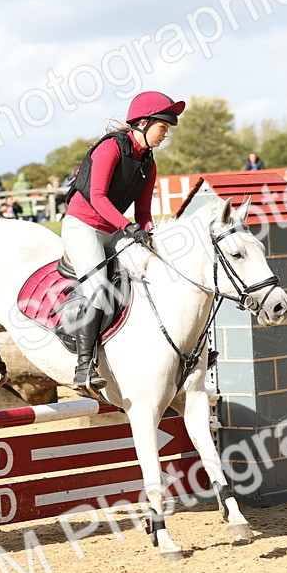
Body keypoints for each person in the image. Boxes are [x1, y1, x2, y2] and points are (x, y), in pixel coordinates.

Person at [60, 90, 184, 392]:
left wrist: (151, 236)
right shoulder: (111, 149)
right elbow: (98, 198)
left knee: (149, 273)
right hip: (83, 226)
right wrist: (129, 228)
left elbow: (143, 212)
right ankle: (84, 366)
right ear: (143, 122)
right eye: (163, 127)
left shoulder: (148, 162)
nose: (165, 134)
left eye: (167, 130)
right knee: (98, 287)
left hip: (114, 229)